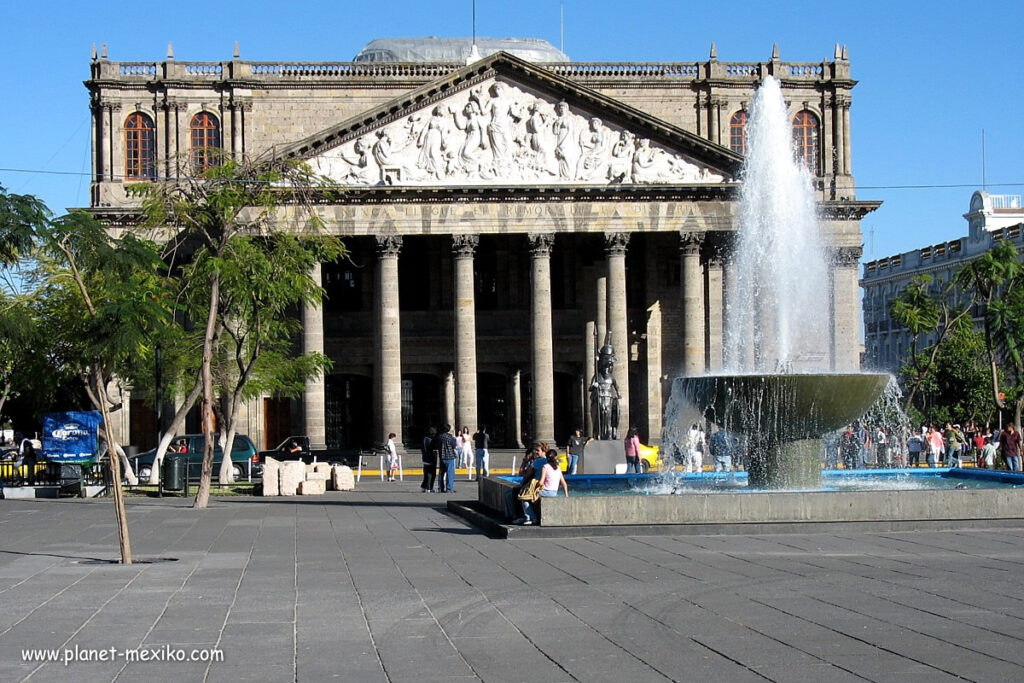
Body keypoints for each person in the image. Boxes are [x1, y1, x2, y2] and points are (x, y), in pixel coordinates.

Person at [516, 449, 569, 525]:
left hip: (546, 492)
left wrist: (536, 486)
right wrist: (566, 495)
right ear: (556, 457)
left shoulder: (545, 466)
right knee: (532, 496)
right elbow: (564, 483)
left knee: (524, 497)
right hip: (554, 492)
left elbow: (541, 482)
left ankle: (531, 517)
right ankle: (531, 517)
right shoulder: (558, 467)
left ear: (546, 457)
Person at [435, 424, 459, 492]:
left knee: (441, 473)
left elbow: (436, 445)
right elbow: (454, 446)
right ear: (449, 430)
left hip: (442, 457)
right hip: (450, 457)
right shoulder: (451, 438)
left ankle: (441, 487)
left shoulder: (440, 437)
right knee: (450, 473)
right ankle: (449, 488)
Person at [420, 427, 437, 492]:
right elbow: (433, 449)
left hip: (425, 458)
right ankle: (429, 487)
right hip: (430, 459)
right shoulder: (430, 440)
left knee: (426, 473)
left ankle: (424, 486)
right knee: (431, 474)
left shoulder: (424, 439)